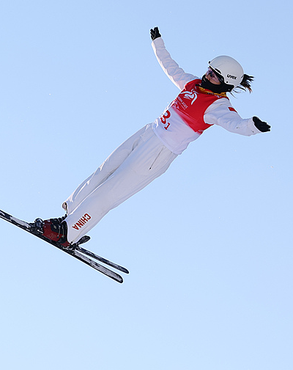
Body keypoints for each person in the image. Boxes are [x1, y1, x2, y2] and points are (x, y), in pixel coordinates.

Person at [33, 26, 271, 247]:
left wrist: (252, 125)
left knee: (110, 191)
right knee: (103, 172)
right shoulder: (192, 84)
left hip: (158, 153)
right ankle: (68, 216)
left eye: (215, 76)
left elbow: (235, 124)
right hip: (148, 132)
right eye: (209, 70)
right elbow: (171, 67)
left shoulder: (218, 105)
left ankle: (67, 234)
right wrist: (158, 43)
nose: (208, 76)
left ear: (226, 84)